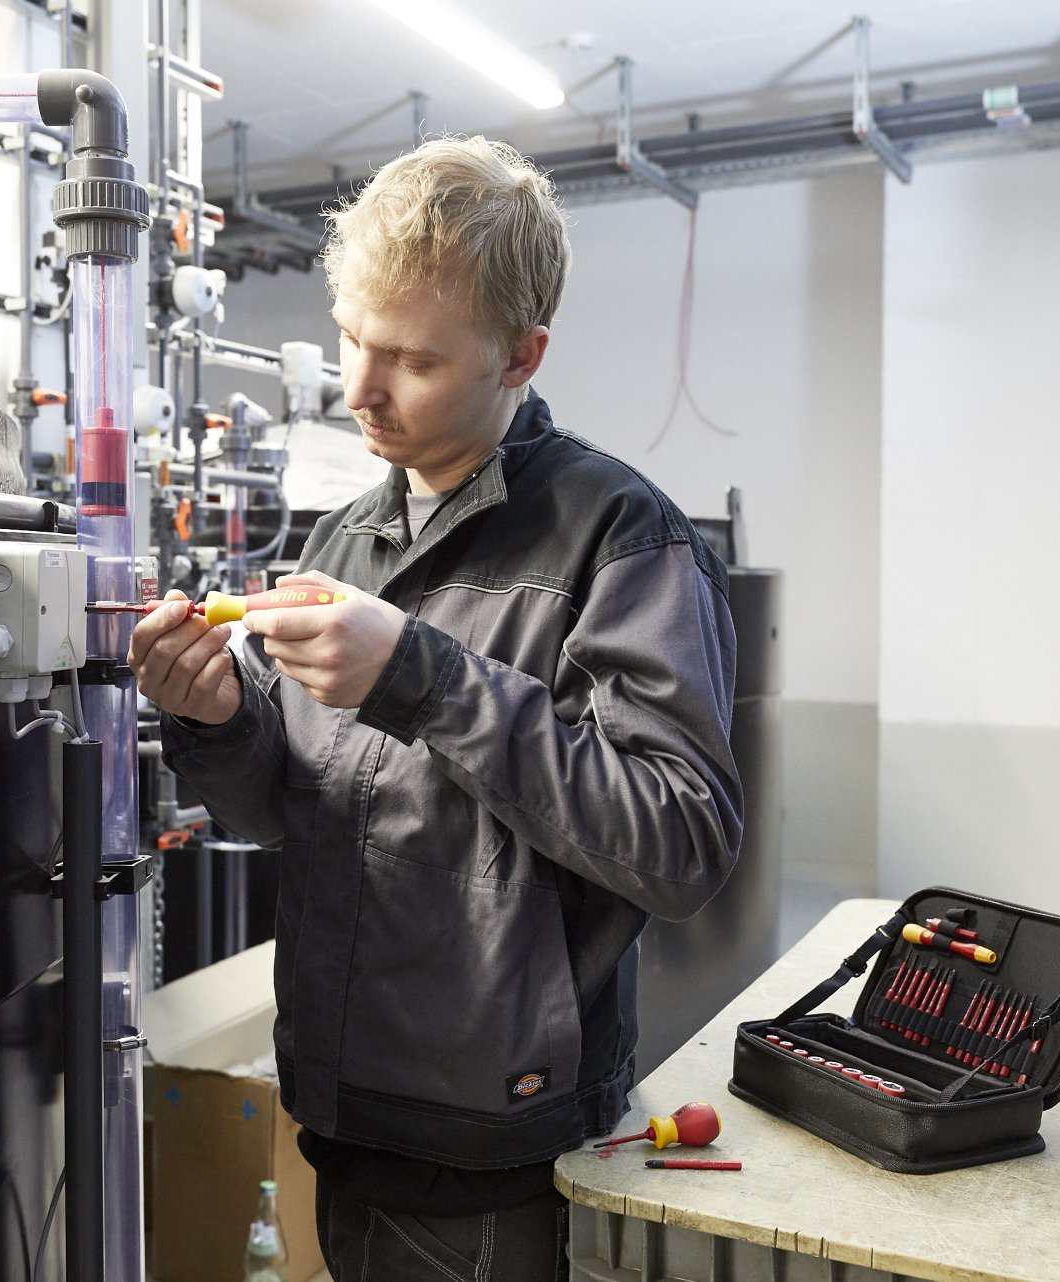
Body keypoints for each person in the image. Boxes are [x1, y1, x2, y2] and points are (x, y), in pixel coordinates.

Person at [128, 136, 742, 1280]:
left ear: (521, 355)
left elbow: (681, 841)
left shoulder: (620, 538)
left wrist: (420, 674)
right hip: (345, 1110)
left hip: (496, 1151)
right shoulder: (343, 538)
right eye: (353, 339)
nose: (360, 389)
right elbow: (285, 809)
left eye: (410, 359)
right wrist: (214, 720)